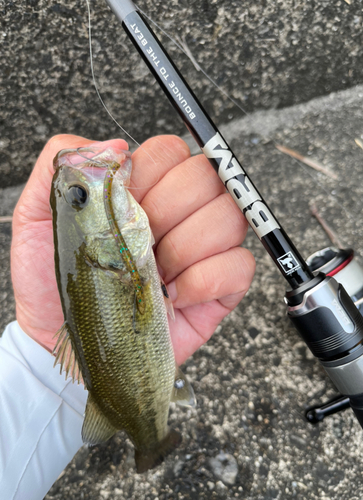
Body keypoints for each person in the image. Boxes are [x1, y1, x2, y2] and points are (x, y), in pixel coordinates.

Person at [0, 134, 255, 500]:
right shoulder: (112, 260)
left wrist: (36, 362)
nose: (80, 188)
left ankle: (149, 437)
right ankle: (151, 440)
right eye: (79, 197)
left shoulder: (112, 259)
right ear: (99, 253)